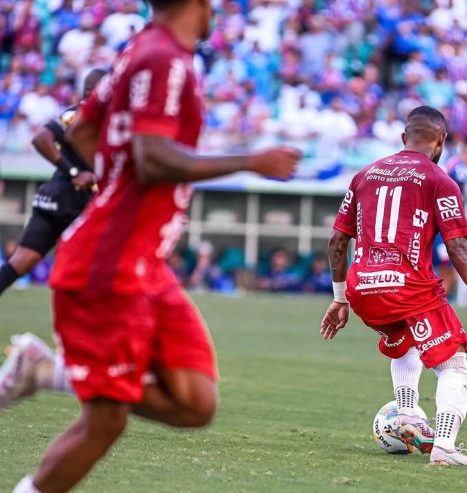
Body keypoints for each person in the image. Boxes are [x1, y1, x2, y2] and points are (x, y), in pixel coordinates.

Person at [2, 0, 301, 491]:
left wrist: (114, 183)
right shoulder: (166, 60)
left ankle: (50, 371)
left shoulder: (139, 51)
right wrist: (250, 160)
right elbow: (154, 157)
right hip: (110, 262)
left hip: (144, 263)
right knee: (106, 420)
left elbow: (81, 131)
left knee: (196, 402)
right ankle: (43, 385)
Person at [320, 106, 467, 467]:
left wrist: (339, 298)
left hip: (361, 287)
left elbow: (336, 241)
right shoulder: (439, 179)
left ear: (402, 138)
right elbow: (458, 246)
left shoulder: (364, 175)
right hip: (407, 286)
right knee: (454, 364)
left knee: (407, 340)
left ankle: (407, 414)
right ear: (441, 141)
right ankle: (443, 446)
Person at [0, 69, 105, 299]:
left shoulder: (79, 115)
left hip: (52, 197)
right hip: (74, 201)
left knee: (19, 263)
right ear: (95, 91)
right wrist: (74, 171)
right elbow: (40, 139)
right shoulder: (86, 114)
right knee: (97, 269)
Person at [434, 135, 467, 295]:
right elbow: (449, 204)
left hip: (437, 228)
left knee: (447, 277)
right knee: (448, 278)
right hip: (439, 231)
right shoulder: (459, 171)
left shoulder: (453, 166)